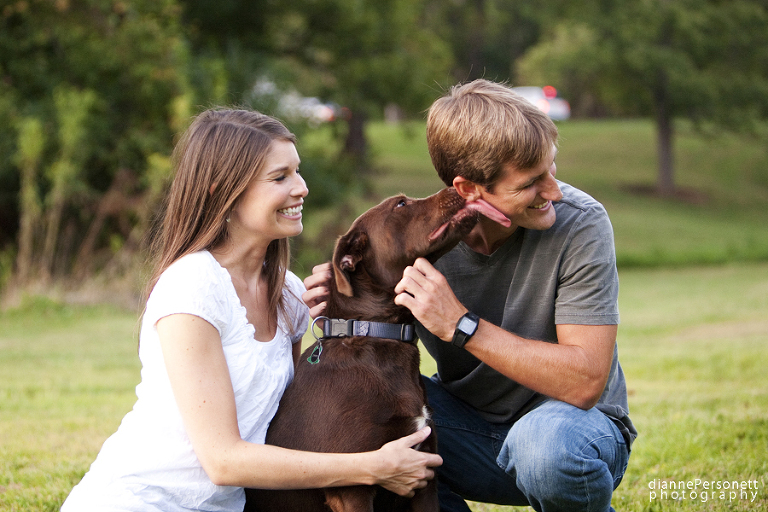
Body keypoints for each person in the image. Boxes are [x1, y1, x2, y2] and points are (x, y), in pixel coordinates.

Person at [61, 108, 441, 512]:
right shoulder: (192, 286)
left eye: (297, 171)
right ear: (220, 191)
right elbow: (223, 461)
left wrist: (342, 323)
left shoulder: (288, 293)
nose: (301, 188)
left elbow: (297, 419)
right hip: (145, 500)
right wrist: (370, 468)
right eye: (280, 178)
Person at [303, 80, 637, 512]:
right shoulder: (415, 242)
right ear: (467, 189)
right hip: (463, 432)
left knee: (545, 446)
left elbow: (587, 381)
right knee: (362, 422)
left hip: (570, 436)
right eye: (531, 183)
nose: (554, 191)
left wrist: (462, 325)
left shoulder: (580, 223)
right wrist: (346, 296)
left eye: (551, 168)